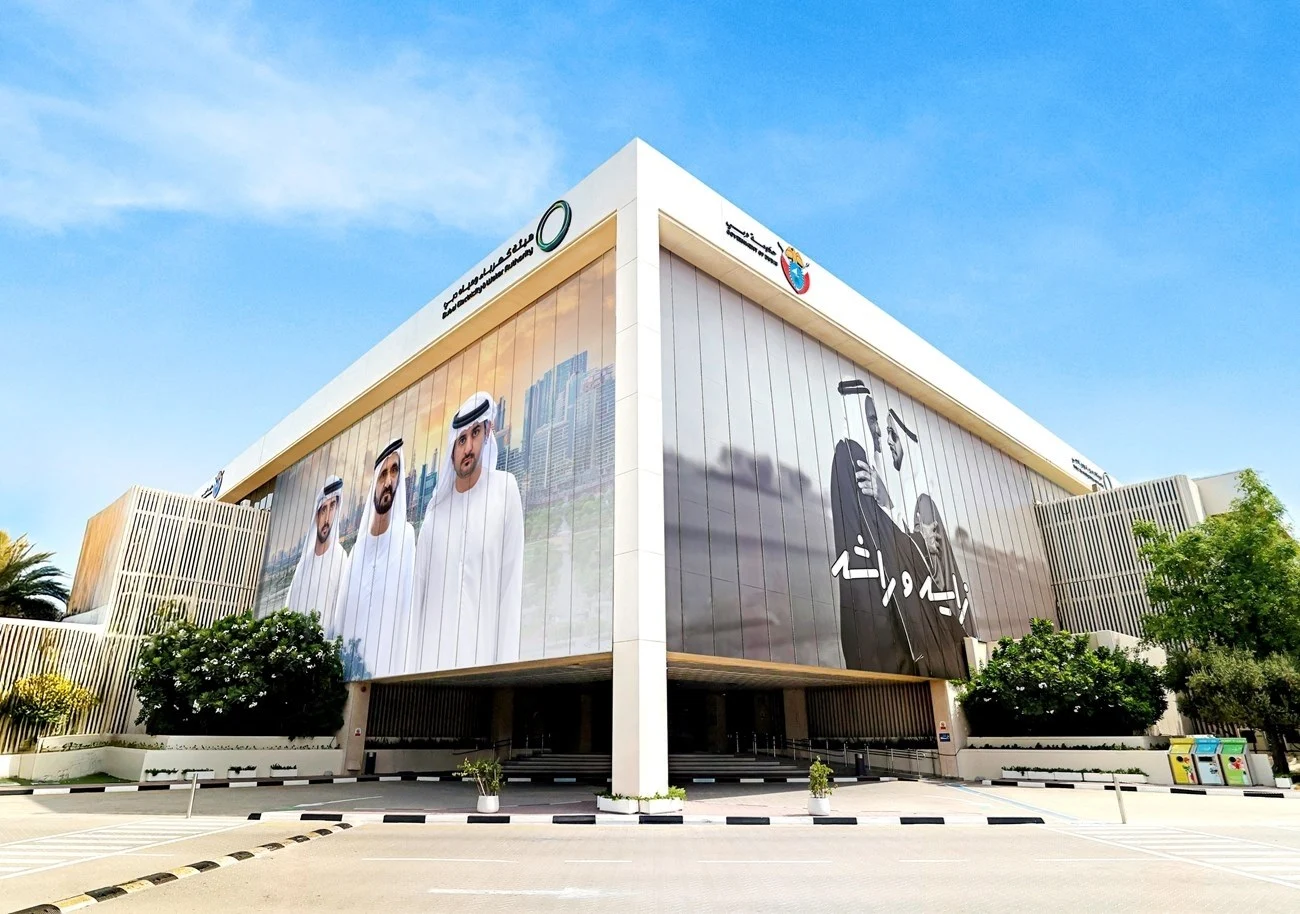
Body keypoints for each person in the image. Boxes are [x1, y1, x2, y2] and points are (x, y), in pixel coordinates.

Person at [411, 392, 524, 672]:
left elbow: (511, 589)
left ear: (488, 433)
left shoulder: (505, 490)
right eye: (461, 440)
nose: (469, 447)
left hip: (483, 666)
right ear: (452, 449)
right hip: (431, 669)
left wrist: (504, 674)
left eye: (475, 434)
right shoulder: (434, 517)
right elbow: (416, 605)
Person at [334, 438, 416, 679]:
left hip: (388, 674)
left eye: (394, 471)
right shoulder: (356, 551)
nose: (388, 482)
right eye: (383, 475)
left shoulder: (406, 538)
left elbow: (408, 616)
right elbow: (340, 621)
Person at [285, 476, 350, 637]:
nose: (327, 518)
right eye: (323, 509)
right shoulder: (303, 566)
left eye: (332, 507)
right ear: (316, 515)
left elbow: (342, 615)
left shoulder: (340, 558)